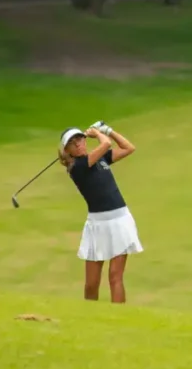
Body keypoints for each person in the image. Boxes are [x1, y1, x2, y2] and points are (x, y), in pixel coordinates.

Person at [57, 122, 142, 303]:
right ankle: (89, 314)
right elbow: (106, 144)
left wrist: (108, 130)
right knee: (91, 283)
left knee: (115, 276)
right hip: (97, 225)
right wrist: (98, 133)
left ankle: (119, 316)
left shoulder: (100, 158)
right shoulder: (77, 167)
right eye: (72, 143)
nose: (78, 144)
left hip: (120, 220)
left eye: (80, 139)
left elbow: (128, 148)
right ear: (67, 151)